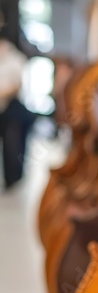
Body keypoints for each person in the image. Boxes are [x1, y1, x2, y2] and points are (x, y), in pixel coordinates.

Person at [0, 35, 35, 190]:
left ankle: (13, 178)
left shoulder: (15, 59)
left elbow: (16, 86)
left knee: (13, 145)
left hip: (12, 108)